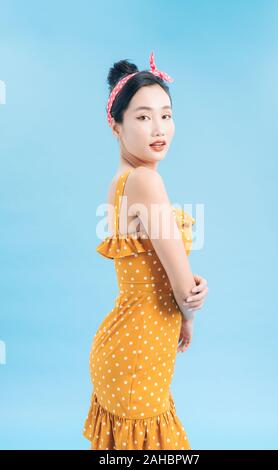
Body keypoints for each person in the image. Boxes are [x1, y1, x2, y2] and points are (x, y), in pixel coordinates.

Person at [82, 51, 209, 450]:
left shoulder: (122, 180)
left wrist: (183, 294)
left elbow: (152, 269)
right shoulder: (145, 182)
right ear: (115, 125)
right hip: (136, 355)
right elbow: (180, 284)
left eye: (166, 115)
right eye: (142, 117)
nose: (159, 128)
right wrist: (191, 306)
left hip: (129, 349)